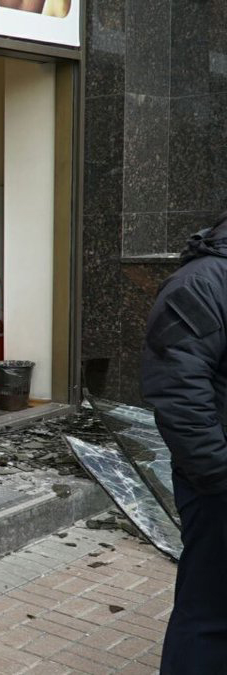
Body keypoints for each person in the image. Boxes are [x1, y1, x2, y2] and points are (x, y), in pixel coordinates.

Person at [141, 216, 227, 674]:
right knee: (210, 611)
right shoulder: (199, 284)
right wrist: (219, 477)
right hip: (217, 487)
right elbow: (177, 392)